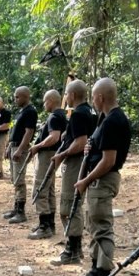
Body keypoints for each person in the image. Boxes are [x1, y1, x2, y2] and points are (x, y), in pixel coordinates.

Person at [75, 77, 131, 276]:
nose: (92, 101)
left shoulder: (112, 121)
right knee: (94, 225)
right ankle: (96, 271)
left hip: (103, 179)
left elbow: (108, 160)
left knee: (103, 229)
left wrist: (86, 180)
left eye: (93, 97)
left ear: (100, 97)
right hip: (99, 179)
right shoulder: (105, 119)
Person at [50, 79, 95, 265]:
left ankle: (73, 250)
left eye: (67, 94)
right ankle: (74, 247)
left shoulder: (78, 114)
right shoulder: (91, 112)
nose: (65, 97)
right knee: (73, 204)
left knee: (69, 206)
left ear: (73, 95)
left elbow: (81, 142)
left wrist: (63, 153)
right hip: (84, 163)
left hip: (77, 163)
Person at [27, 90, 65, 239]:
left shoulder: (55, 116)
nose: (43, 104)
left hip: (48, 154)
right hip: (52, 155)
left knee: (40, 187)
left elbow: (54, 137)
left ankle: (44, 226)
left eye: (44, 101)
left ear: (51, 101)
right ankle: (49, 224)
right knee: (49, 188)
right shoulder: (61, 115)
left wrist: (37, 146)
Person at [3, 86, 37, 224]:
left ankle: (21, 212)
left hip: (20, 149)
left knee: (19, 180)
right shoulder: (20, 111)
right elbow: (15, 132)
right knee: (14, 180)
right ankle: (16, 208)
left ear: (25, 97)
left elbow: (28, 133)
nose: (15, 99)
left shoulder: (30, 112)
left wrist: (20, 149)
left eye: (17, 97)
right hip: (14, 146)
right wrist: (9, 146)